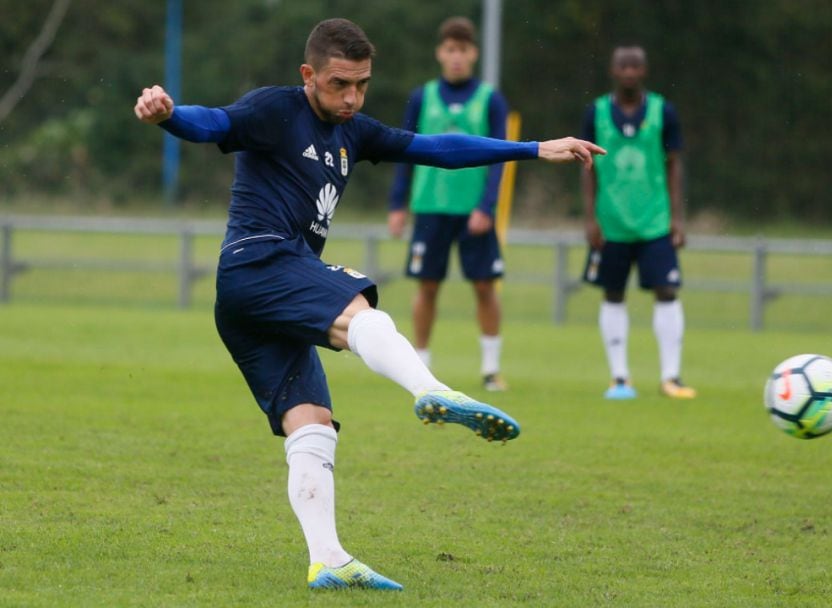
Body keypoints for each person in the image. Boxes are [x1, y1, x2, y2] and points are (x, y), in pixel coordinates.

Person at [133, 18, 603, 592]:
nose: (352, 97)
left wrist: (533, 148)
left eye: (362, 84)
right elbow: (215, 123)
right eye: (339, 84)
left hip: (251, 301)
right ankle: (431, 389)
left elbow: (437, 149)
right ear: (309, 76)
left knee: (312, 425)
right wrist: (170, 115)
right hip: (261, 263)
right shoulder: (276, 109)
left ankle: (327, 558)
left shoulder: (354, 131)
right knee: (364, 311)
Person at [387, 17, 511, 391]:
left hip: (473, 211)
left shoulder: (490, 99)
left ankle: (491, 369)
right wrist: (398, 204)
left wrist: (486, 207)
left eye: (463, 50)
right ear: (441, 53)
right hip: (430, 208)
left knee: (485, 287)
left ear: (473, 53)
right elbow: (403, 149)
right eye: (450, 50)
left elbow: (500, 156)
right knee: (426, 286)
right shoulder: (422, 97)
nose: (457, 57)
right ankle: (421, 366)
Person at [580, 45, 696, 401]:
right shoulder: (596, 112)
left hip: (654, 222)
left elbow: (674, 164)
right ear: (613, 71)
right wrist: (589, 217)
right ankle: (619, 378)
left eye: (635, 66)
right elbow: (585, 167)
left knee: (667, 291)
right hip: (611, 222)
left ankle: (670, 377)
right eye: (623, 66)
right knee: (613, 293)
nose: (629, 72)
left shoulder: (664, 111)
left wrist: (677, 217)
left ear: (644, 71)